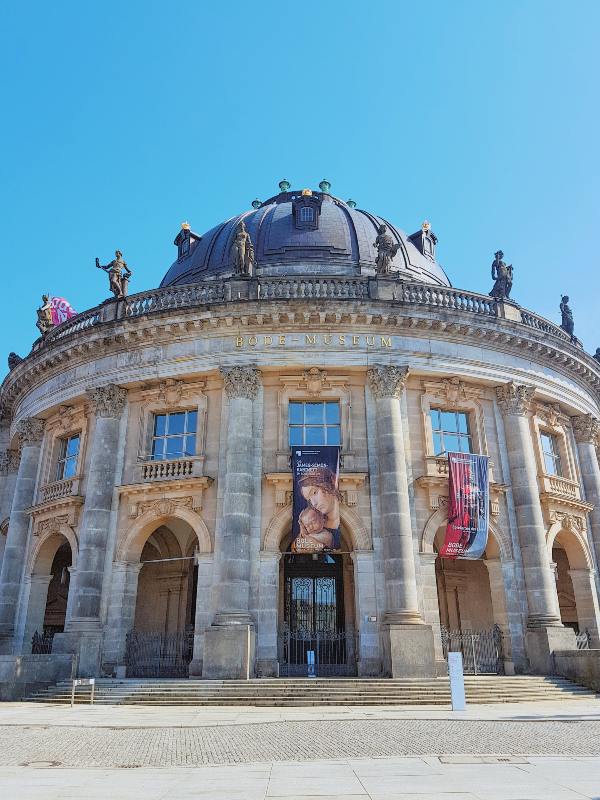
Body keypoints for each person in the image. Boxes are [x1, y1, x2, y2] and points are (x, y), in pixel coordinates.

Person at [296, 466, 342, 550]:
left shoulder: (331, 531)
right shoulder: (316, 526)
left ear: (328, 485)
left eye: (314, 492)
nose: (314, 503)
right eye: (309, 500)